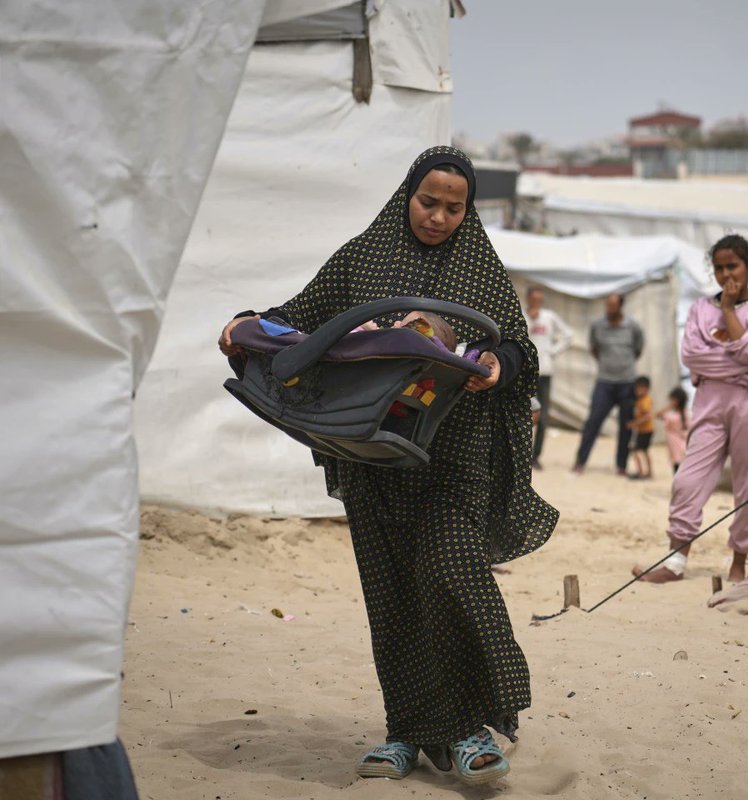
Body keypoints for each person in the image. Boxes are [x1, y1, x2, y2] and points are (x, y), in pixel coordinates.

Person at [216, 146, 558, 785]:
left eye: (455, 208)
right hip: (373, 454)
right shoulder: (364, 256)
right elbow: (299, 320)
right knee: (393, 594)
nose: (439, 217)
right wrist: (246, 321)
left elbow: (518, 347)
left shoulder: (480, 264)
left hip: (454, 458)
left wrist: (497, 365)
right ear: (408, 194)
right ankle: (407, 731)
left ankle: (467, 726)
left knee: (454, 573)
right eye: (429, 202)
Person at [635, 234, 748, 584]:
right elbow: (692, 357)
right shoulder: (699, 309)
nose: (727, 273)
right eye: (719, 267)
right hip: (710, 401)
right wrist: (745, 363)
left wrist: (729, 312)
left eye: (733, 266)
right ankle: (676, 560)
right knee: (687, 479)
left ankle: (739, 561)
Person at [572, 293, 644, 475]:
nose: (609, 309)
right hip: (604, 382)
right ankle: (580, 461)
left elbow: (638, 349)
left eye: (613, 305)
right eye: (607, 305)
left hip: (627, 383)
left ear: (621, 306)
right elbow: (594, 348)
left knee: (626, 426)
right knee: (593, 421)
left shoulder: (633, 326)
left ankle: (621, 466)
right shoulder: (598, 326)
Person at [523, 286, 572, 469]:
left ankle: (536, 456)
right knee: (525, 413)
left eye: (540, 300)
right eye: (534, 300)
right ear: (528, 299)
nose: (537, 303)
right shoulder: (522, 317)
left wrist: (551, 352)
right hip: (526, 373)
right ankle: (522, 453)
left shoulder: (549, 317)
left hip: (545, 372)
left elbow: (568, 335)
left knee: (542, 415)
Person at [626, 376, 654, 480]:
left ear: (646, 389)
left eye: (640, 389)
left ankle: (641, 472)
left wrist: (635, 423)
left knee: (635, 450)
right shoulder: (641, 399)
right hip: (644, 429)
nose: (638, 391)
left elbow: (648, 416)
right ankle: (649, 472)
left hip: (645, 430)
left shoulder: (645, 400)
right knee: (645, 451)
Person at [657, 387, 689, 474]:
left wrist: (669, 406)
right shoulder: (681, 413)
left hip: (677, 443)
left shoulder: (675, 415)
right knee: (678, 463)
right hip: (678, 443)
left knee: (678, 464)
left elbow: (658, 414)